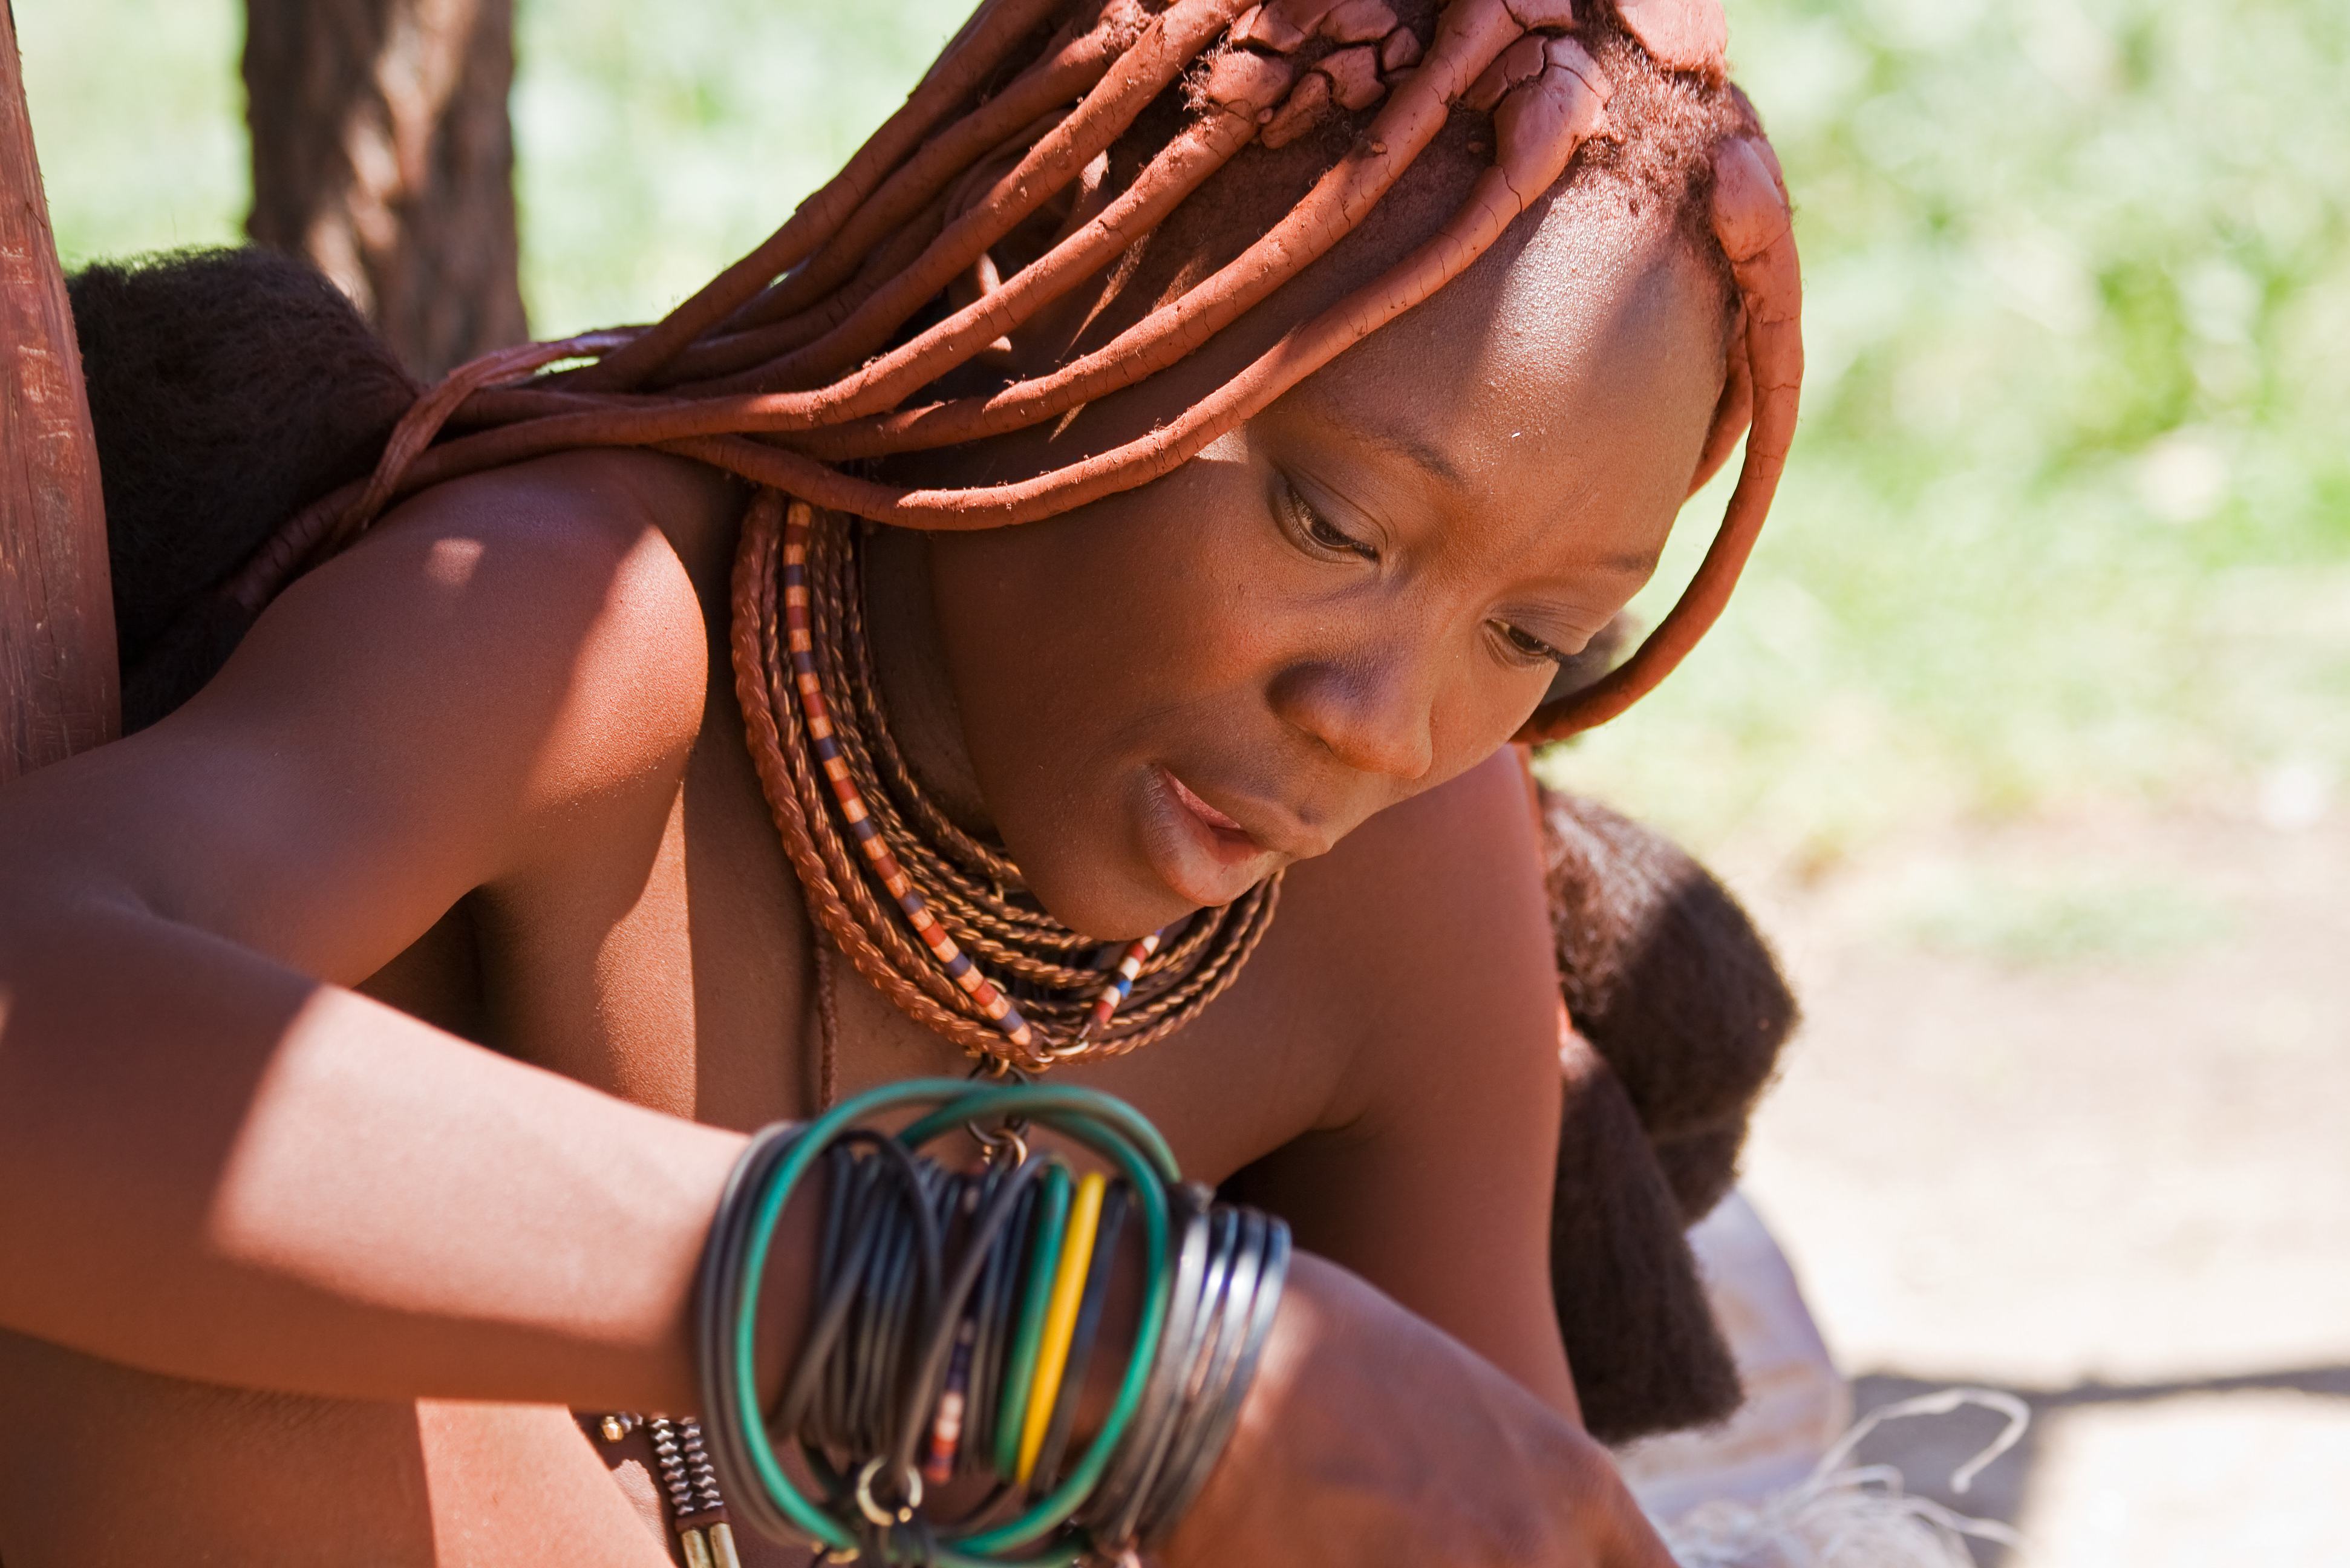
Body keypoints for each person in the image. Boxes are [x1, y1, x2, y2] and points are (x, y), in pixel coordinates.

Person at [0, 0, 1801, 1562]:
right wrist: (1028, 1335)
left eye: (1534, 638)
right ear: (1062, 295)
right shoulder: (594, 635)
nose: (1380, 721)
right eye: (1332, 524)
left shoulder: (1404, 862)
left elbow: (1480, 1517)